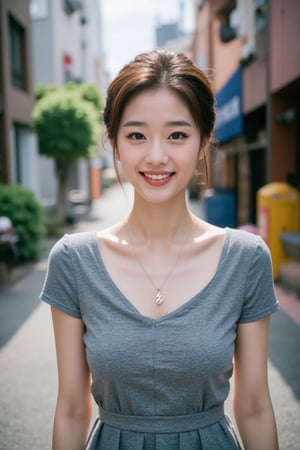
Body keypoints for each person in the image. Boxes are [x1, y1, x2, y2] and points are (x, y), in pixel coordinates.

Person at [40, 49, 279, 450]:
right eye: (136, 135)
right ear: (114, 143)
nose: (156, 155)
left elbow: (254, 407)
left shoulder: (245, 258)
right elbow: (71, 409)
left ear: (203, 142)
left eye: (177, 135)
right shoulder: (73, 261)